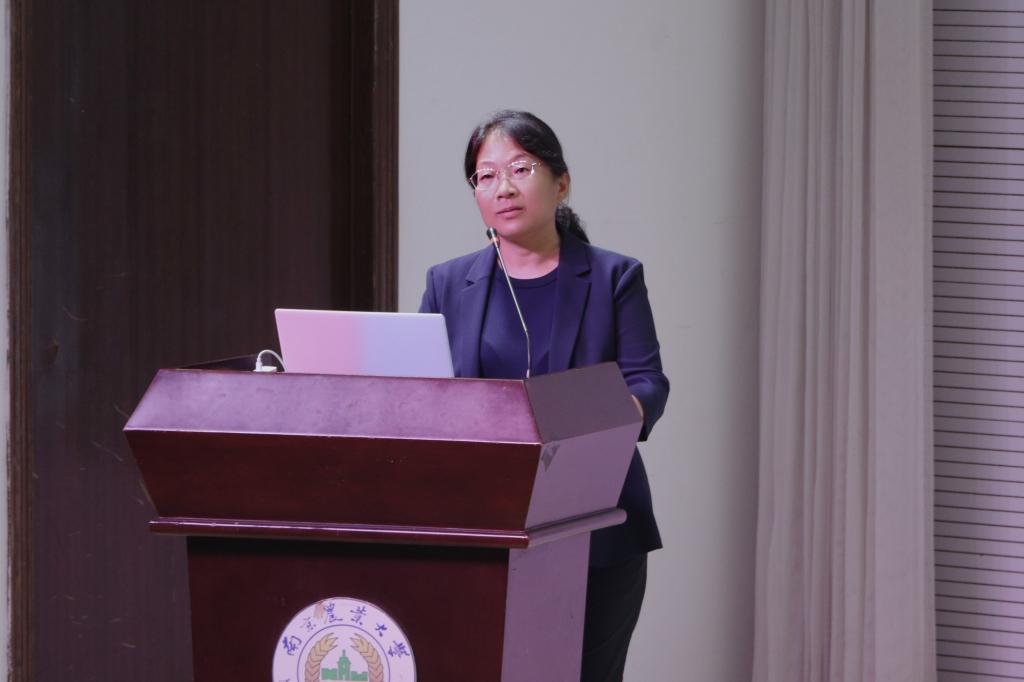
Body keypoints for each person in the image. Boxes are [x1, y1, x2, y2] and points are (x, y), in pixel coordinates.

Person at [418, 110, 669, 682]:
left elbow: (647, 382)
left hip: (596, 521)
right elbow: (424, 393)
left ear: (561, 182)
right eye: (485, 176)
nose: (503, 188)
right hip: (481, 524)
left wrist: (593, 424)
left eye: (521, 169)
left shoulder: (613, 277)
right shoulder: (447, 283)